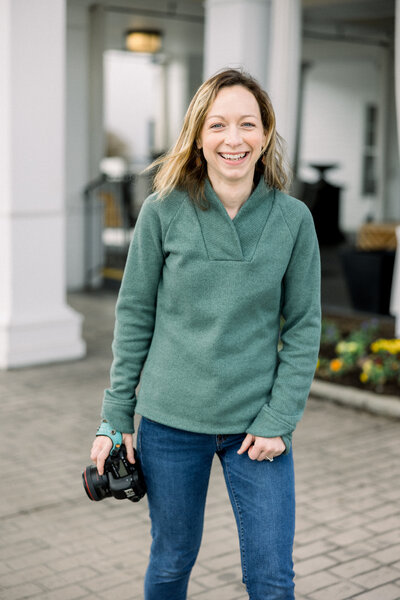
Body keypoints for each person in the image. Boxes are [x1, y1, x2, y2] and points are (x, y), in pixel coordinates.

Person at [90, 68, 321, 600]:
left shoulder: (293, 220)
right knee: (171, 562)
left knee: (271, 577)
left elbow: (305, 325)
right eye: (218, 125)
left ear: (265, 134)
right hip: (170, 425)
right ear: (199, 135)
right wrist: (114, 416)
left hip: (257, 429)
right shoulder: (162, 211)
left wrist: (279, 418)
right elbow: (135, 318)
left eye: (247, 124)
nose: (233, 139)